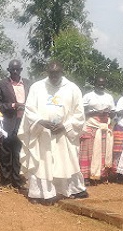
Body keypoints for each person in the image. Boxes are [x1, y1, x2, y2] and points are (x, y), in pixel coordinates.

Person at [19, 60, 86, 204]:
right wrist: (41, 121)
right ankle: (39, 193)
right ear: (47, 72)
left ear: (62, 72)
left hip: (63, 133)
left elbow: (79, 113)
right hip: (42, 132)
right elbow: (29, 109)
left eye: (57, 73)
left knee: (65, 160)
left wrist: (65, 125)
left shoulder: (73, 89)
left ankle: (71, 189)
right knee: (42, 161)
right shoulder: (37, 87)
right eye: (51, 73)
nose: (54, 76)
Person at [0, 59, 30, 189]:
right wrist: (13, 105)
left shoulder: (28, 84)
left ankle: (17, 180)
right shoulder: (1, 85)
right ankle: (5, 180)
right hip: (7, 122)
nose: (15, 72)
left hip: (23, 123)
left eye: (17, 69)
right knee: (5, 152)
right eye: (12, 69)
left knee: (19, 152)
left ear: (21, 70)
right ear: (8, 70)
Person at [79, 76, 115, 184]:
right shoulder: (88, 96)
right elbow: (81, 111)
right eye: (99, 84)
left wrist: (108, 113)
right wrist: (95, 113)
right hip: (91, 125)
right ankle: (86, 176)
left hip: (104, 126)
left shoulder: (109, 97)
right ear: (95, 84)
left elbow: (113, 113)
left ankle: (100, 175)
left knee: (102, 152)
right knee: (88, 151)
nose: (101, 86)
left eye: (103, 84)